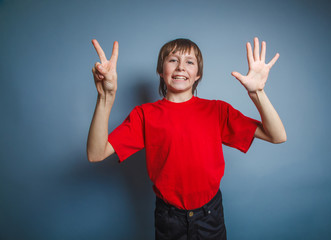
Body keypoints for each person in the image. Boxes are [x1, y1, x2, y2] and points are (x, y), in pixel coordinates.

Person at [87, 37, 286, 240]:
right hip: (169, 219)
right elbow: (96, 153)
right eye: (173, 60)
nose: (181, 67)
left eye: (189, 62)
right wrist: (105, 97)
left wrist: (257, 92)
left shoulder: (217, 110)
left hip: (211, 216)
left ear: (198, 74)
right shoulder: (144, 115)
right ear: (160, 69)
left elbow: (277, 136)